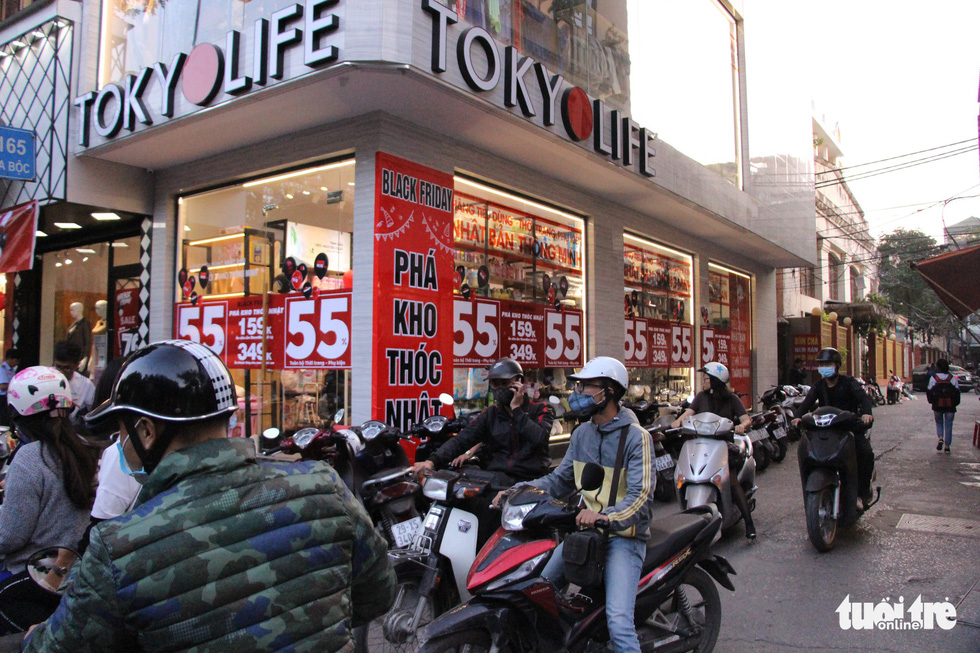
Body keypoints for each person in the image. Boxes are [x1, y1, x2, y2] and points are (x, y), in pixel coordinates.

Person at [22, 340, 396, 651]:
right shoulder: (323, 485)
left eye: (122, 432)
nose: (120, 444)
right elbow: (379, 593)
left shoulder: (120, 547)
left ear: (147, 431)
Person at [494, 356, 653, 653]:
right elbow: (559, 480)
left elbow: (641, 498)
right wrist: (517, 490)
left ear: (609, 391)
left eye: (586, 386)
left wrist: (604, 516)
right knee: (538, 591)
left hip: (621, 538)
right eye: (577, 386)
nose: (577, 393)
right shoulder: (581, 434)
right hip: (584, 534)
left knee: (618, 622)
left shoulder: (636, 438)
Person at [0, 366, 99, 634]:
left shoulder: (30, 457)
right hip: (68, 576)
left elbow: (9, 536)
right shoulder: (82, 449)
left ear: (20, 416)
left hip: (27, 577)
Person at [412, 357, 554, 483]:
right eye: (494, 384)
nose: (499, 388)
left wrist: (516, 410)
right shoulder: (490, 414)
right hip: (497, 479)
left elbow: (540, 438)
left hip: (530, 481)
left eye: (504, 383)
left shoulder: (541, 408)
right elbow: (463, 439)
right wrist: (432, 461)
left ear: (519, 382)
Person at [672, 362, 756, 540]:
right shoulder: (701, 397)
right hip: (700, 444)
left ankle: (748, 522)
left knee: (731, 480)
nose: (703, 381)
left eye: (707, 378)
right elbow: (689, 412)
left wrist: (742, 426)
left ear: (716, 381)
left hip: (722, 446)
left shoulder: (732, 399)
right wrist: (677, 422)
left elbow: (745, 419)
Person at [791, 347, 875, 505]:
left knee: (865, 453)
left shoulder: (849, 383)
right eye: (822, 364)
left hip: (848, 429)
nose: (824, 367)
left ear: (837, 365)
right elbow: (806, 404)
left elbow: (864, 399)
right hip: (826, 430)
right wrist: (797, 417)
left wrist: (866, 413)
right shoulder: (818, 386)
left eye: (828, 363)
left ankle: (863, 492)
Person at [52, 341, 95, 423]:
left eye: (67, 368)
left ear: (76, 365)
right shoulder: (44, 379)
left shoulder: (85, 385)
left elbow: (94, 410)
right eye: (58, 367)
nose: (61, 372)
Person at [926, 358, 960, 454]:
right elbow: (957, 393)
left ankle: (940, 437)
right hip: (950, 406)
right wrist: (955, 404)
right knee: (949, 424)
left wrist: (932, 402)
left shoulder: (934, 378)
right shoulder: (952, 378)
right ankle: (947, 446)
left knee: (939, 422)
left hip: (937, 405)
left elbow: (929, 392)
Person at [0, 348, 21, 426]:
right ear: (10, 359)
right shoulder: (2, 369)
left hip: (9, 398)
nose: (17, 364)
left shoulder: (11, 370)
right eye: (16, 361)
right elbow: (2, 386)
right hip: (2, 398)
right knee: (4, 419)